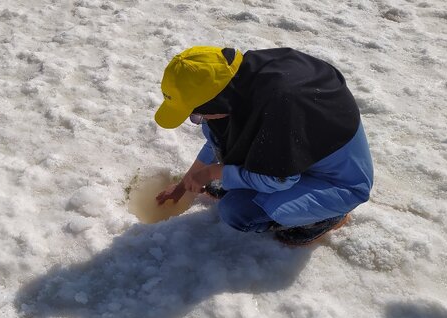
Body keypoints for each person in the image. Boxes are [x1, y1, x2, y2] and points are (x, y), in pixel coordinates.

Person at [154, 46, 374, 245]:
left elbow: (279, 179)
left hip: (336, 182)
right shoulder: (235, 84)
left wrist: (213, 172)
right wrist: (184, 184)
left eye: (196, 114)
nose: (199, 118)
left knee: (238, 212)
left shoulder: (281, 109)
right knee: (225, 161)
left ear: (216, 101)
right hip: (297, 157)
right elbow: (217, 140)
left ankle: (327, 217)